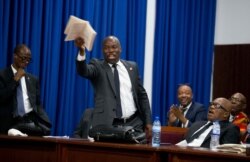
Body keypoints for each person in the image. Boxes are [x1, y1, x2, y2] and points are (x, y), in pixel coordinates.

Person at [74, 36, 152, 142]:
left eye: (114, 47)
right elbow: (84, 71)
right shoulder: (97, 66)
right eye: (106, 48)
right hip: (109, 126)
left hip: (134, 124)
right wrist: (82, 51)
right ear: (102, 50)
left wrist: (148, 122)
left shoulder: (132, 67)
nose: (110, 50)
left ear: (120, 49)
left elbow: (142, 96)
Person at [0, 44, 52, 136]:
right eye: (24, 58)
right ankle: (15, 129)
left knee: (45, 131)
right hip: (11, 120)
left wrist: (45, 121)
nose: (26, 62)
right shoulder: (2, 75)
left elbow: (37, 104)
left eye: (29, 59)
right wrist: (15, 80)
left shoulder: (33, 79)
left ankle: (17, 129)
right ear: (15, 56)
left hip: (29, 119)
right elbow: (2, 97)